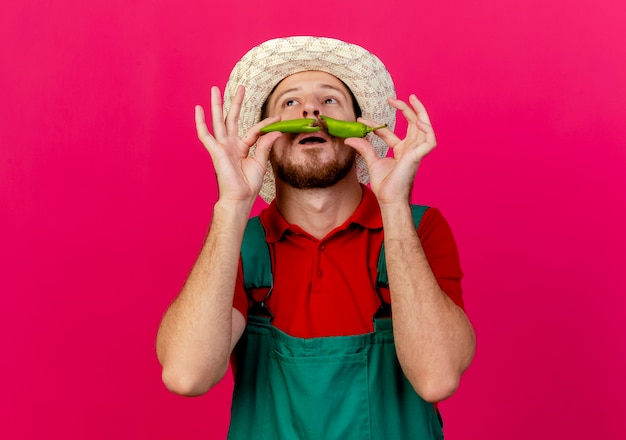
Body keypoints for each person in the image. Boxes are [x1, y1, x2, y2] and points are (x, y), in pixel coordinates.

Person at [156, 36, 475, 439]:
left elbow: (437, 378)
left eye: (330, 101)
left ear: (358, 130)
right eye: (290, 102)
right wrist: (232, 205)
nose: (310, 110)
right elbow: (186, 376)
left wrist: (393, 207)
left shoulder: (418, 228)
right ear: (265, 140)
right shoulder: (239, 243)